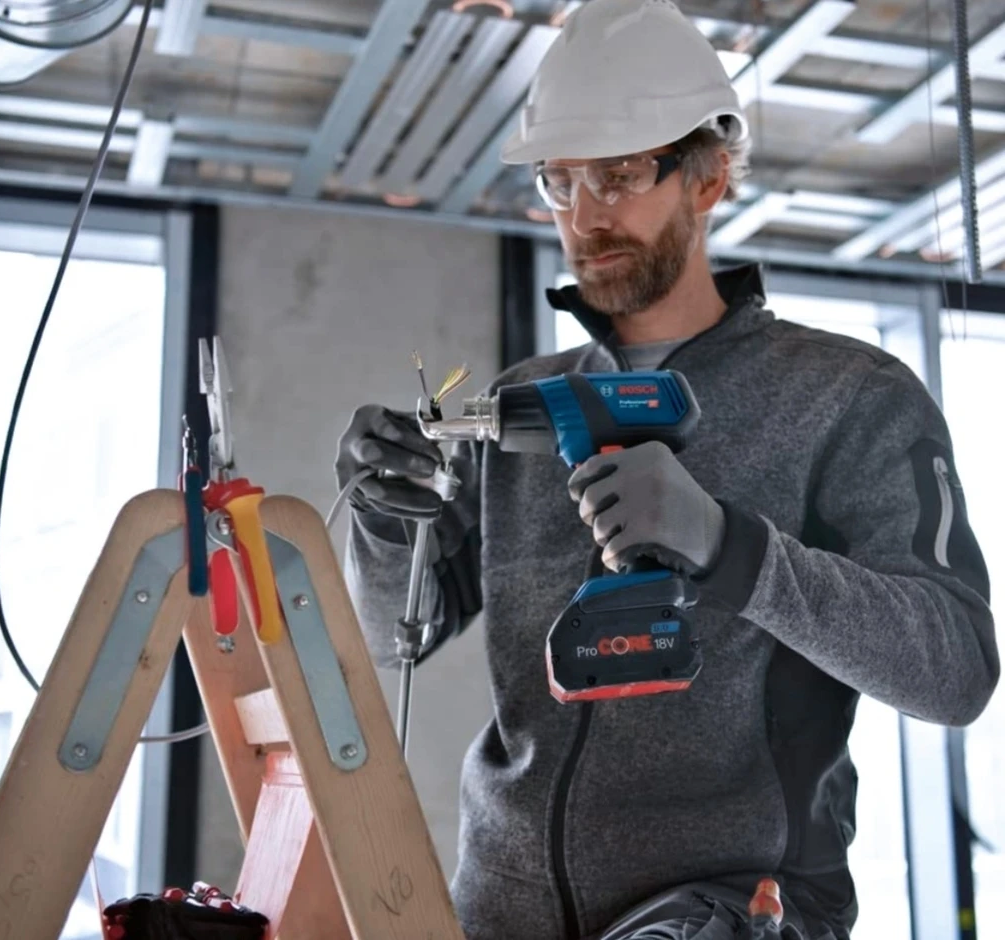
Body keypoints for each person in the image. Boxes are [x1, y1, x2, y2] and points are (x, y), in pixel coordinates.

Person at [335, 1, 1000, 938]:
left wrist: (730, 549)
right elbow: (393, 638)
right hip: (499, 908)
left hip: (735, 910)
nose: (586, 216)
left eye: (620, 175)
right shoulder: (526, 400)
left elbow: (955, 670)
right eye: (560, 182)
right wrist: (383, 518)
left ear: (709, 177)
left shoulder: (848, 395)